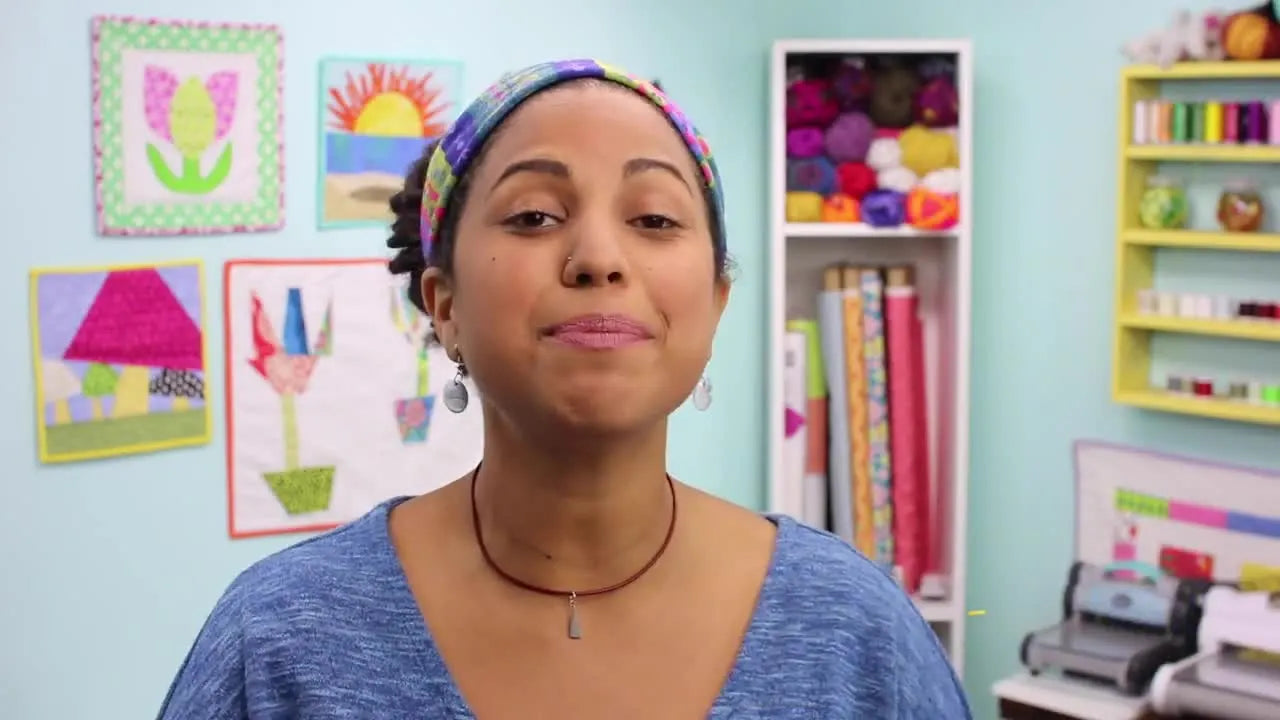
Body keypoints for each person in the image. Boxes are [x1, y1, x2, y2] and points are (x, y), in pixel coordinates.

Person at [157, 58, 971, 719]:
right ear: (444, 306)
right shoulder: (278, 641)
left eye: (653, 219)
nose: (598, 257)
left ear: (715, 305)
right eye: (535, 217)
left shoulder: (854, 631)